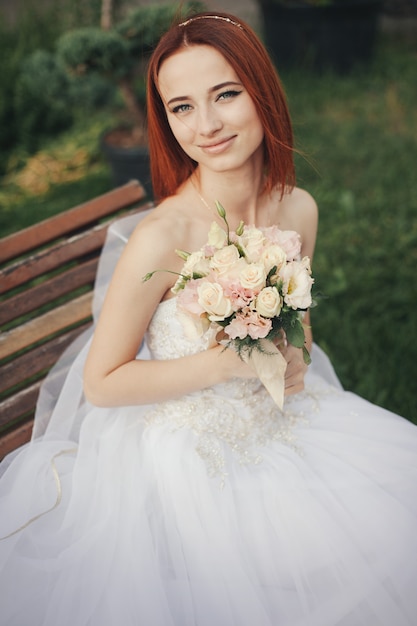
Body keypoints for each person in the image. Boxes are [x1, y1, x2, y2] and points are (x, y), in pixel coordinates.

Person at [0, 11, 416, 626]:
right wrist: (223, 362)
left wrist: (296, 351)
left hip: (278, 419)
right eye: (182, 107)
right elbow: (102, 382)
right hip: (186, 452)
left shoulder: (297, 209)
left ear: (262, 90)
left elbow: (296, 324)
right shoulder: (164, 235)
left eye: (226, 95)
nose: (208, 125)